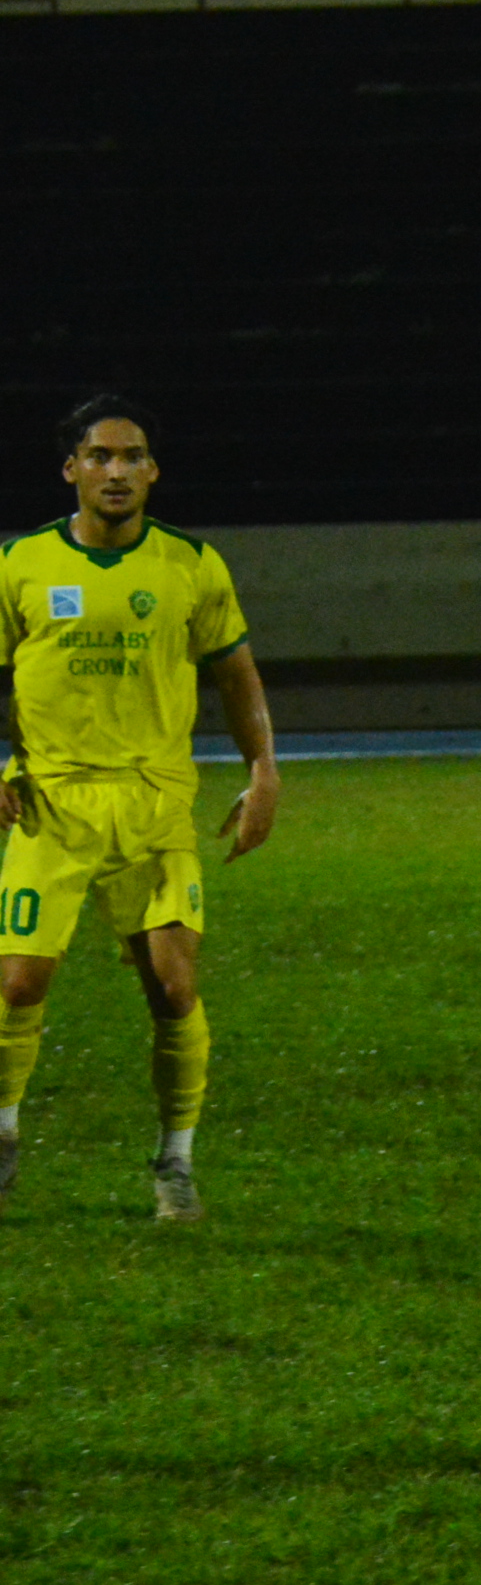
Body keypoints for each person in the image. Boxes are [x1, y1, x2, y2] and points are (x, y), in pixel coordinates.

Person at [0, 396, 281, 1222]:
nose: (116, 471)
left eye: (132, 457)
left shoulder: (191, 564)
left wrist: (264, 772)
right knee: (16, 983)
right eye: (100, 457)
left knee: (174, 988)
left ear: (153, 471)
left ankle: (175, 1161)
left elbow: (237, 673)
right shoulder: (19, 562)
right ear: (71, 470)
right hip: (51, 802)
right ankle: (4, 1134)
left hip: (155, 803)